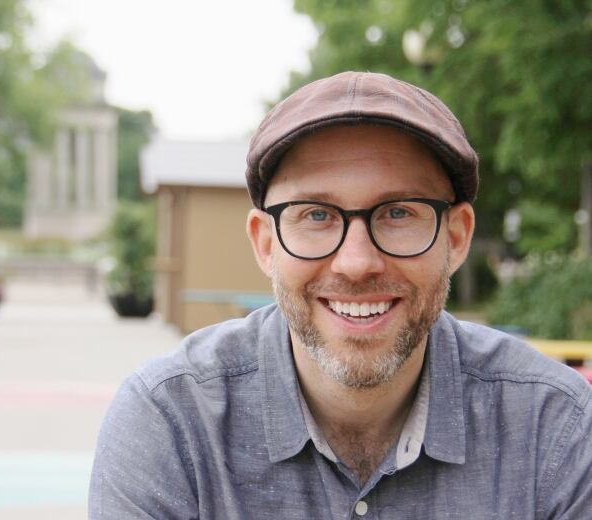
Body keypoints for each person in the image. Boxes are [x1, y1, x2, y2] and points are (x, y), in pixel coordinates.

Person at [89, 72, 592, 518]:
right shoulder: (171, 423)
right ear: (265, 244)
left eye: (397, 213)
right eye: (316, 215)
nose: (356, 263)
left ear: (455, 238)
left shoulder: (556, 428)